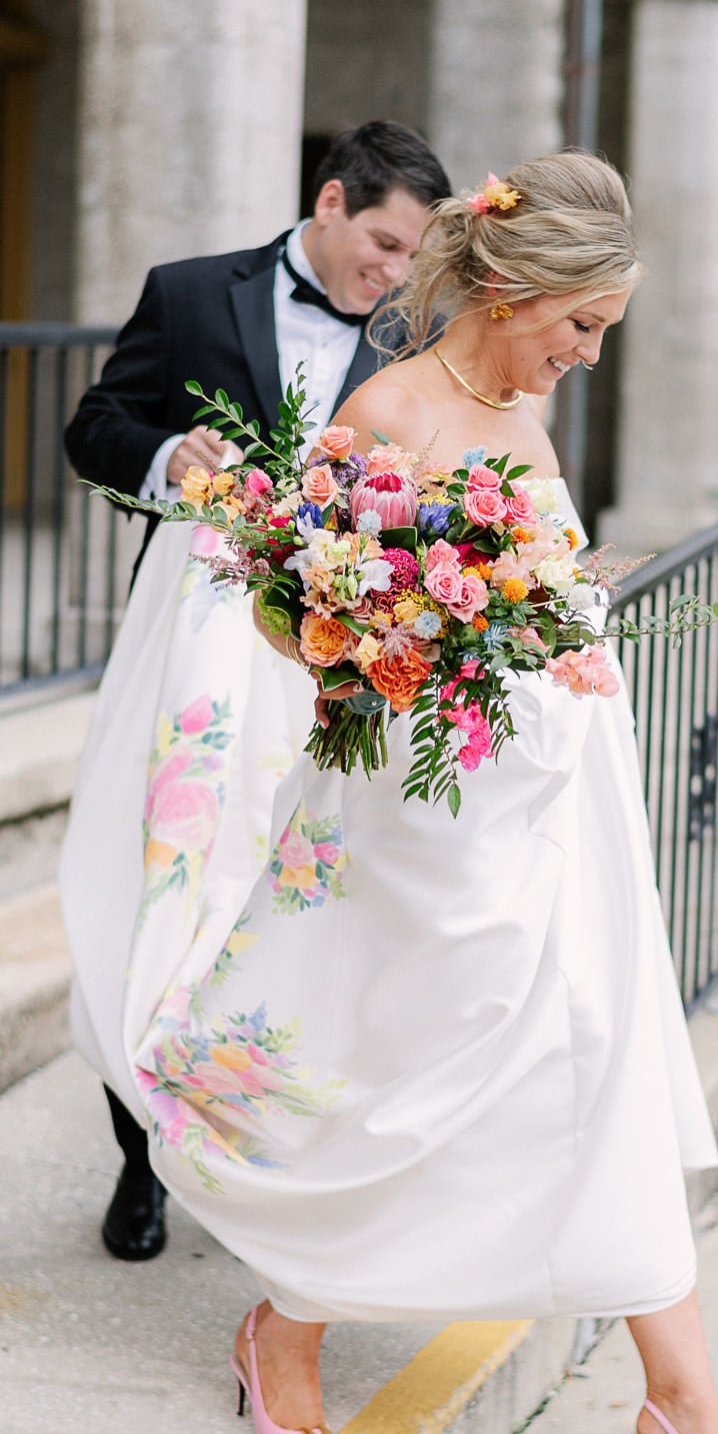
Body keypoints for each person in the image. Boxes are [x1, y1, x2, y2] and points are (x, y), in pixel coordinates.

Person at [59, 151, 718, 1434]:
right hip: (416, 810)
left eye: (603, 335)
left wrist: (559, 626)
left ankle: (687, 1403)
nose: (584, 357)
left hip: (553, 799)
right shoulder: (384, 411)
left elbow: (554, 589)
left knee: (591, 1058)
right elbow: (294, 614)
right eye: (580, 326)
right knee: (382, 1068)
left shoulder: (523, 410)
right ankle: (287, 1324)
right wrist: (402, 637)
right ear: (514, 287)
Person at [63, 121, 452, 1263]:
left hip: (334, 668)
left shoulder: (420, 337)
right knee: (166, 882)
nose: (391, 274)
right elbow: (96, 428)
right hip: (190, 650)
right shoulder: (188, 295)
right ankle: (142, 1165)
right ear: (329, 202)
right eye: (381, 243)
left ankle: (258, 1166)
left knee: (290, 904)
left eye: (410, 258)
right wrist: (167, 455)